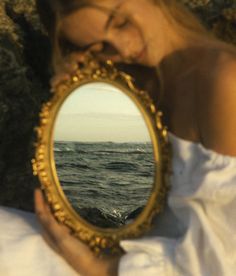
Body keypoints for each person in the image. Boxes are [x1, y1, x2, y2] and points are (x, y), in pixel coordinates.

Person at [32, 0, 236, 275]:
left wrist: (99, 268)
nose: (124, 48)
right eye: (98, 47)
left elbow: (224, 260)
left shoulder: (224, 82)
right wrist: (74, 102)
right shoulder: (129, 89)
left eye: (121, 22)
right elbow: (103, 209)